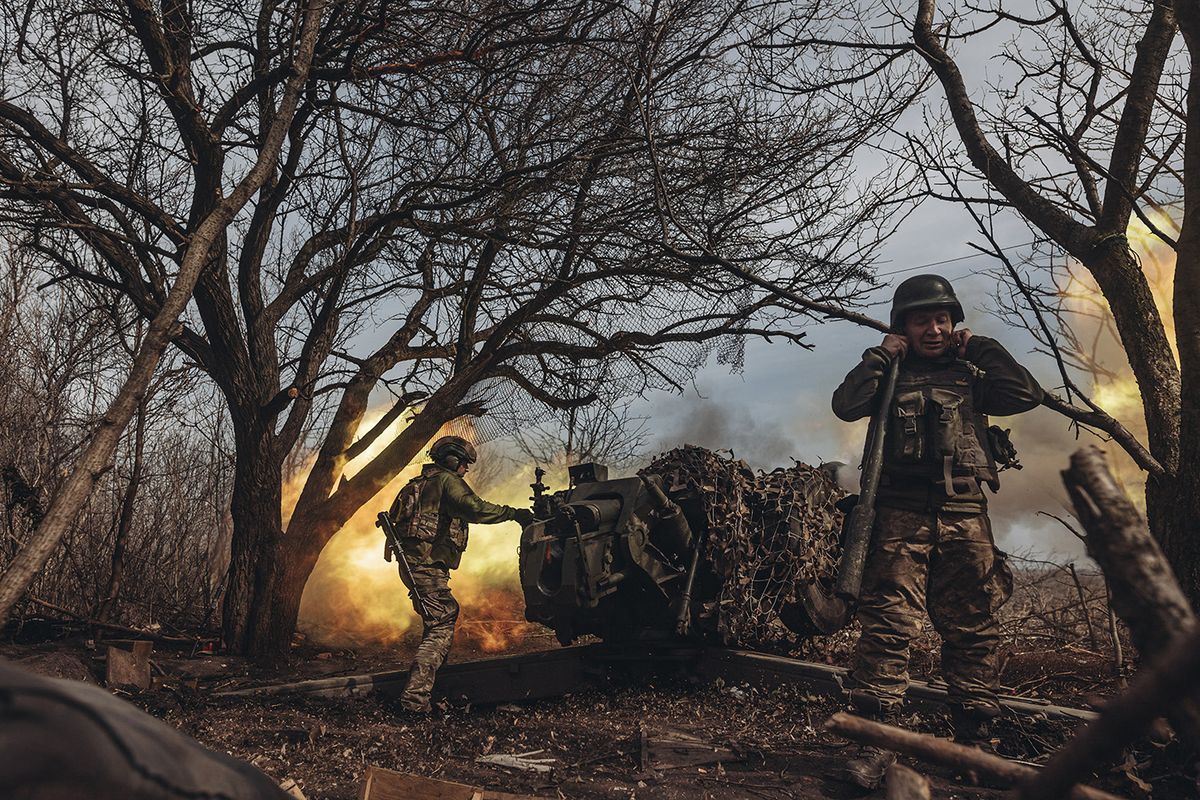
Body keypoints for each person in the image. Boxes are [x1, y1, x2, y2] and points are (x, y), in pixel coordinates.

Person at [831, 274, 1043, 789]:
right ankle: (876, 747)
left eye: (942, 319)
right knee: (888, 629)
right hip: (899, 517)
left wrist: (984, 346)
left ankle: (974, 746)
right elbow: (845, 404)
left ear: (954, 324)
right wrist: (880, 356)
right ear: (902, 326)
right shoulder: (889, 373)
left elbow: (1025, 393)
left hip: (966, 517)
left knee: (973, 628)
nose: (934, 328)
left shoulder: (972, 374)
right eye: (922, 320)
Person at [387, 435, 535, 714]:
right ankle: (414, 701)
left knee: (439, 622)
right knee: (441, 625)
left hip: (417, 564)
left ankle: (424, 693)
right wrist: (514, 514)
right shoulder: (445, 481)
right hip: (425, 565)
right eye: (464, 463)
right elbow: (473, 508)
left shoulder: (418, 484)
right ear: (452, 460)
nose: (466, 469)